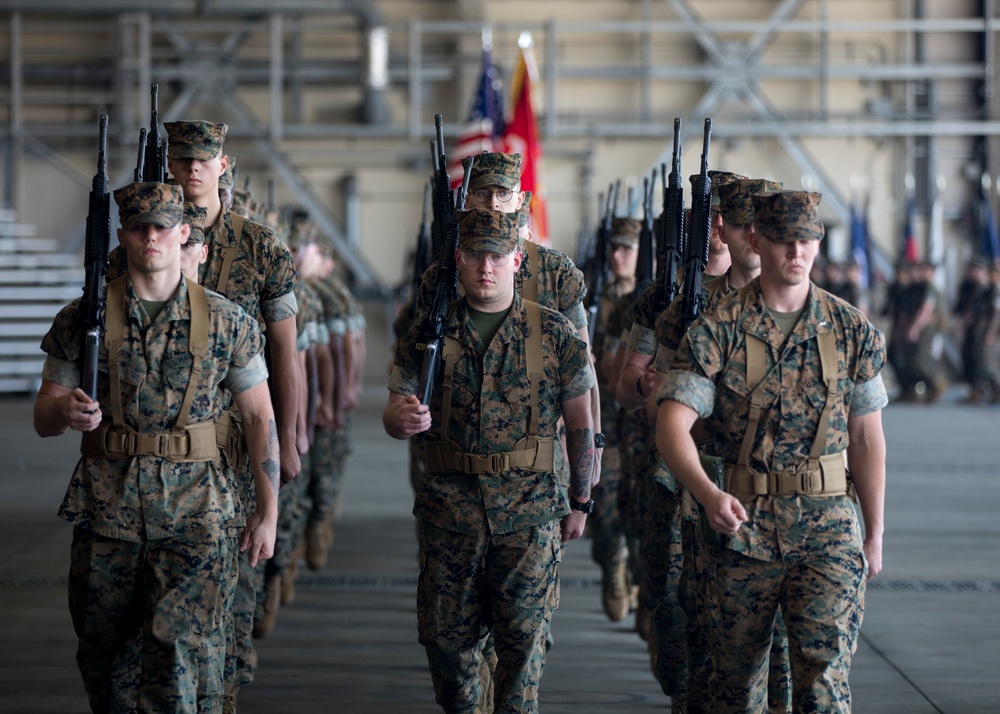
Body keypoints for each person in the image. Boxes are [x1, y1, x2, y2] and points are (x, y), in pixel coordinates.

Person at [33, 181, 279, 713]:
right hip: (107, 517)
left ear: (183, 233)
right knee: (107, 669)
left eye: (163, 227)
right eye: (140, 227)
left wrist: (268, 510)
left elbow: (260, 415)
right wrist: (65, 412)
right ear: (121, 235)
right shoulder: (83, 319)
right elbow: (43, 416)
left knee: (179, 662)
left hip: (198, 517)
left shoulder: (227, 320)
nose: (152, 237)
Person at [656, 190, 887, 712]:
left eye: (806, 240)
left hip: (827, 528)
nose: (796, 252)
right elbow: (672, 426)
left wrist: (873, 531)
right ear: (758, 241)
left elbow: (867, 438)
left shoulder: (851, 331)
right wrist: (708, 495)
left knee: (823, 684)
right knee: (735, 688)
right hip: (741, 530)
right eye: (783, 240)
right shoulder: (717, 327)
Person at [384, 208, 596, 714]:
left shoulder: (554, 333)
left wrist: (582, 498)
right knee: (447, 647)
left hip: (529, 513)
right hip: (450, 511)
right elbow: (394, 408)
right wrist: (403, 419)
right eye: (476, 255)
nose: (486, 267)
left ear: (516, 260)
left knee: (522, 647)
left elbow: (582, 423)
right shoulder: (429, 332)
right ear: (458, 259)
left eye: (497, 257)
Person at [164, 119, 299, 710]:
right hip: (162, 452)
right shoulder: (149, 241)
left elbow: (285, 356)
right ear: (168, 164)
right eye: (182, 157)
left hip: (239, 449)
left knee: (232, 599)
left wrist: (289, 440)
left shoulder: (262, 247)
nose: (193, 167)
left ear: (224, 164)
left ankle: (221, 694)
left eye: (205, 157)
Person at [648, 177, 790, 712]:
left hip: (790, 505)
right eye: (740, 224)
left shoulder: (826, 318)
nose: (753, 236)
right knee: (703, 628)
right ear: (723, 231)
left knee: (787, 653)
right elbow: (658, 401)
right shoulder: (698, 314)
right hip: (702, 484)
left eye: (764, 226)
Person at [588, 216, 640, 622]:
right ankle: (612, 566)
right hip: (605, 423)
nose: (618, 255)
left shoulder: (654, 304)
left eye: (627, 247)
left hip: (642, 428)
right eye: (614, 248)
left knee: (643, 520)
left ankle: (640, 582)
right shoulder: (593, 300)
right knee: (604, 513)